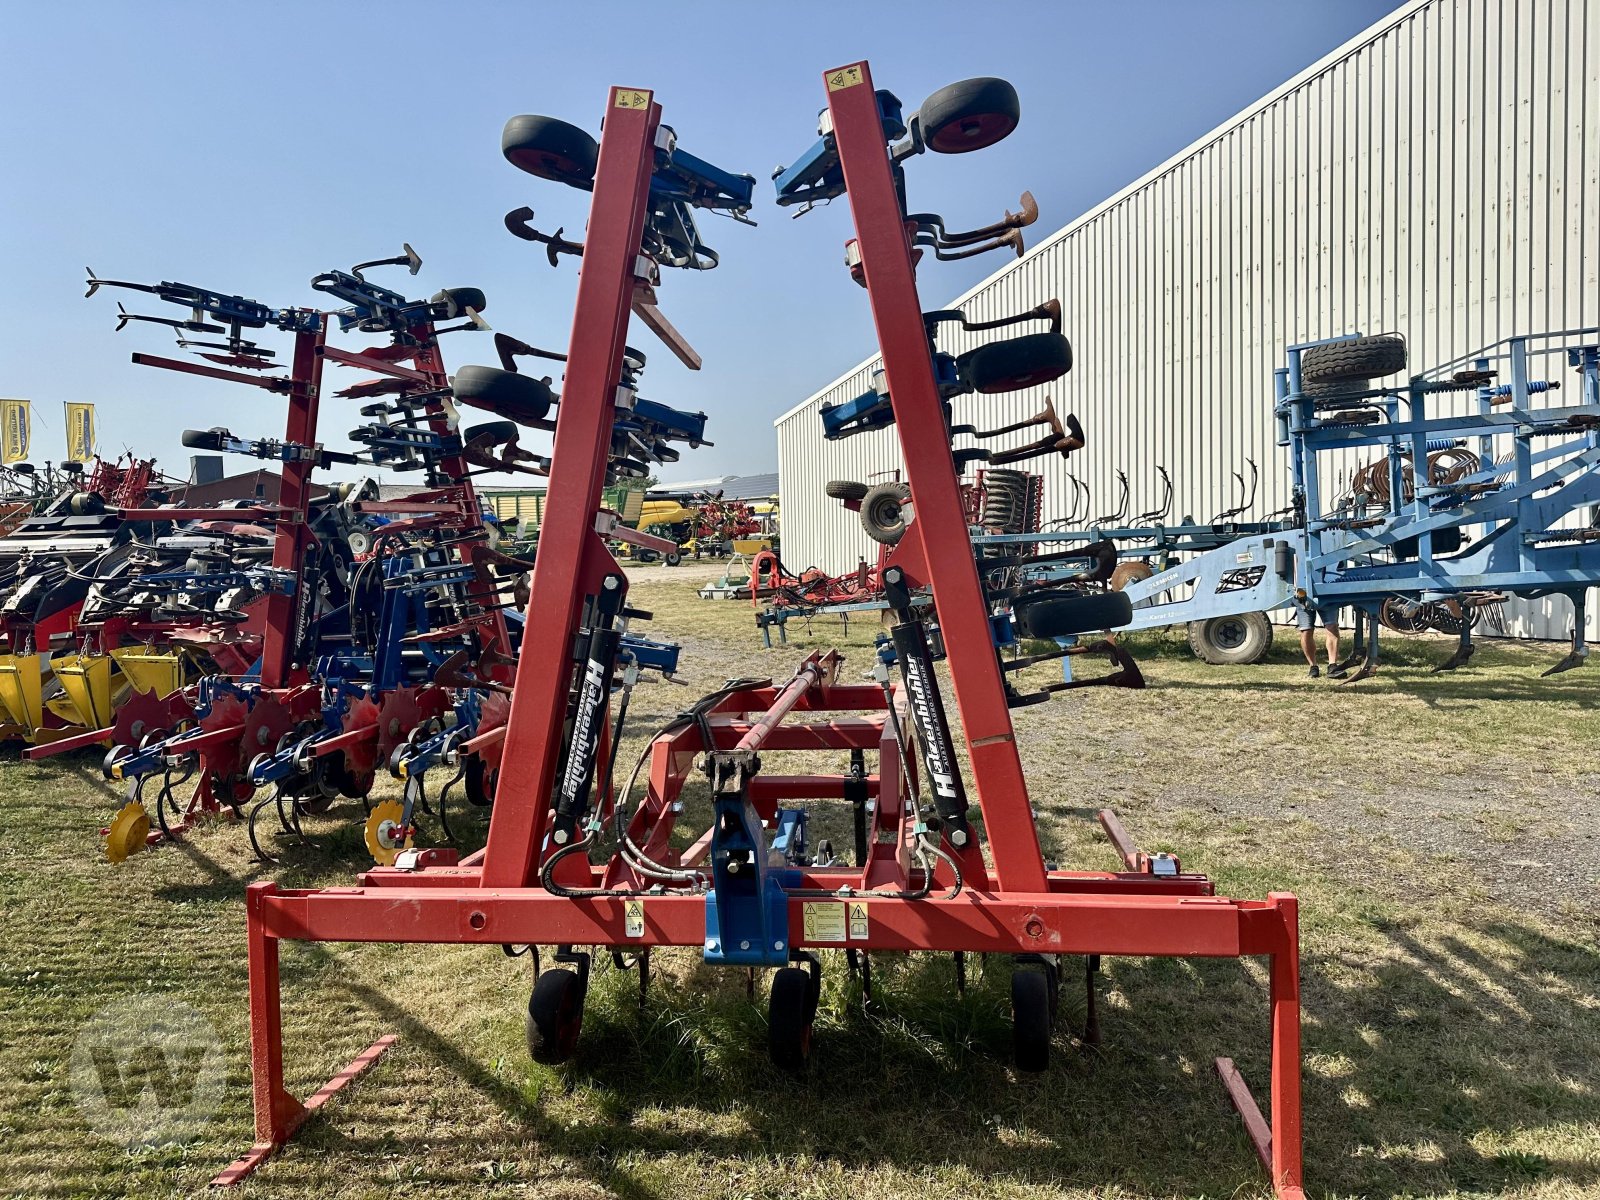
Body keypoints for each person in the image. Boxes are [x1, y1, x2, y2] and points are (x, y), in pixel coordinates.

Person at [1297, 600, 1345, 678]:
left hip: (1328, 596)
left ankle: (1332, 666)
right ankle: (1313, 666)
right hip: (1303, 598)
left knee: (1332, 627)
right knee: (1306, 631)